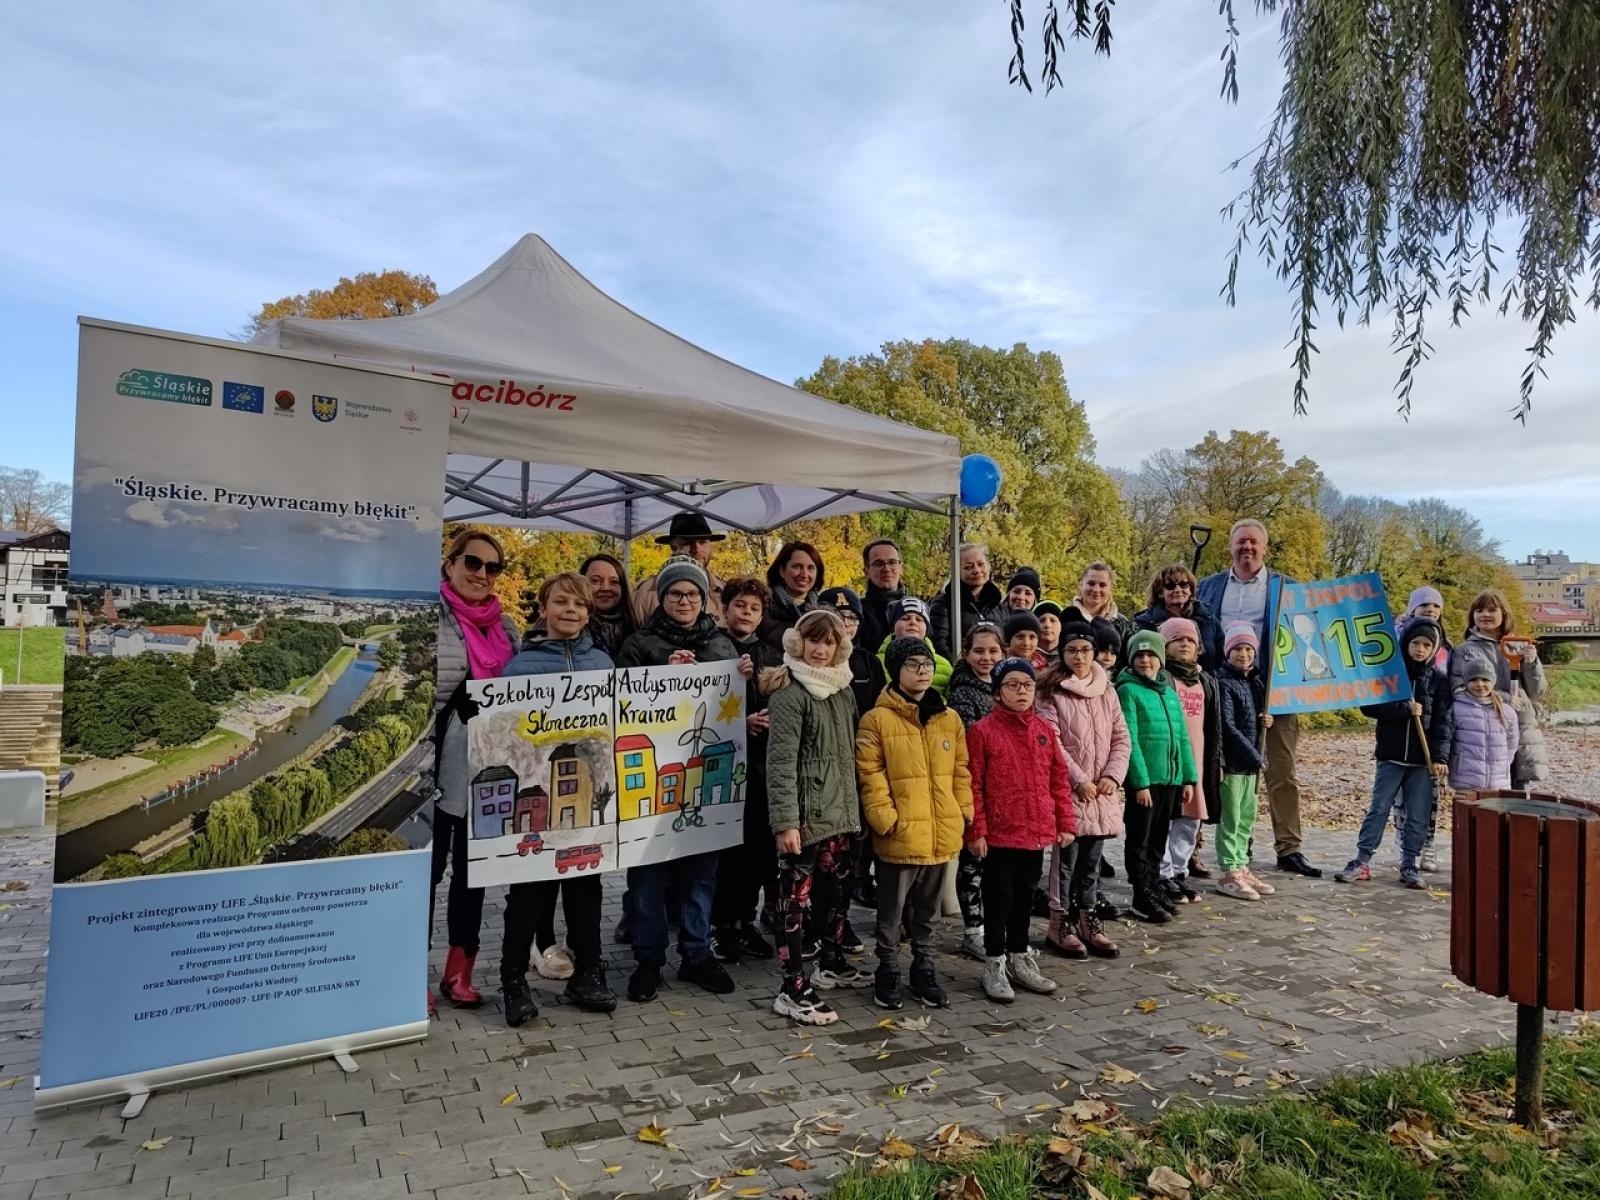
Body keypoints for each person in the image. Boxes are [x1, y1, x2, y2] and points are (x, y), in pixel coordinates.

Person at [615, 556, 743, 1001]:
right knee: (648, 874)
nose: (684, 600)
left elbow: (740, 703)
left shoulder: (722, 643)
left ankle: (696, 954)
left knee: (700, 874)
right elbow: (619, 698)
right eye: (675, 594)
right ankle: (649, 959)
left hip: (705, 779)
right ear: (662, 598)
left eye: (692, 593)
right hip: (652, 780)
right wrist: (660, 675)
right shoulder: (640, 643)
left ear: (704, 598)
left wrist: (746, 678)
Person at [498, 573, 618, 1023]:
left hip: (587, 796)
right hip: (538, 795)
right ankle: (513, 980)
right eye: (562, 602)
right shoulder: (518, 668)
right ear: (543, 608)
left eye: (580, 605)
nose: (571, 611)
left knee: (586, 886)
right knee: (529, 890)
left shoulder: (603, 665)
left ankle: (588, 971)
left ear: (589, 613)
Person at [764, 609, 871, 1025]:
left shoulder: (842, 691)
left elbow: (847, 757)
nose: (821, 650)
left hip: (839, 815)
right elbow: (781, 764)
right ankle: (792, 986)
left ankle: (830, 960)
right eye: (814, 641)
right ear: (798, 642)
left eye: (829, 642)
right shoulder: (790, 694)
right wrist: (785, 822)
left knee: (837, 894)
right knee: (795, 902)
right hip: (805, 819)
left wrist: (853, 810)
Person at [1196, 520, 1319, 877]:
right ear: (1230, 547)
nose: (1246, 548)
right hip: (1225, 691)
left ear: (1264, 548)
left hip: (1275, 690)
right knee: (1227, 771)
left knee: (1281, 770)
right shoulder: (1208, 588)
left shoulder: (1289, 589)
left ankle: (1289, 846)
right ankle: (1232, 844)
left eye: (1253, 542)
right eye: (1240, 542)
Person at [857, 637, 973, 1010]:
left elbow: (961, 770)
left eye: (926, 664)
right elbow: (869, 774)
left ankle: (924, 966)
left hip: (941, 831)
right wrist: (885, 818)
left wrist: (962, 810)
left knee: (929, 911)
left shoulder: (949, 717)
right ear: (896, 670)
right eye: (912, 665)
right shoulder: (877, 719)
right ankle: (887, 969)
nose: (922, 672)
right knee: (891, 912)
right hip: (900, 833)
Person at [433, 528, 520, 1011]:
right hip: (432, 767)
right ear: (450, 565)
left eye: (492, 567)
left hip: (487, 767)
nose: (482, 574)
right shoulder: (431, 619)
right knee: (427, 873)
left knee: (473, 873)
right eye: (472, 563)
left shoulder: (505, 627)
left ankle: (459, 969)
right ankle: (407, 971)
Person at [966, 657, 1074, 1002]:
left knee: (1025, 897)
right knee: (999, 899)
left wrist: (1064, 821)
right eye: (1012, 685)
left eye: (1027, 685)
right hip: (999, 834)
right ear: (997, 692)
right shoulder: (982, 732)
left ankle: (1019, 955)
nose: (1021, 691)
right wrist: (976, 831)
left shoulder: (1043, 730)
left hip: (1035, 830)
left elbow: (1058, 779)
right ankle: (994, 962)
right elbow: (974, 785)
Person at [1333, 619, 1455, 889]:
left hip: (1421, 762)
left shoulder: (1439, 680)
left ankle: (1410, 863)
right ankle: (1362, 860)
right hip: (1391, 756)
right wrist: (1402, 708)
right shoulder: (1389, 675)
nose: (1420, 649)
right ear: (1405, 644)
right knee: (1378, 808)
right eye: (1415, 643)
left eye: (1426, 645)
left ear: (1434, 648)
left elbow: (1444, 722)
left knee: (1418, 813)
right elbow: (1368, 707)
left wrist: (1440, 758)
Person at [1037, 621, 1130, 958]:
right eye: (1072, 649)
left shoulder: (1107, 690)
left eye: (1086, 650)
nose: (1079, 656)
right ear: (1062, 652)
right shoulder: (1050, 690)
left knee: (1092, 861)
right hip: (1071, 790)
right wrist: (1079, 779)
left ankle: (1087, 918)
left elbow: (1121, 736)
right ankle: (1058, 923)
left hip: (1101, 791)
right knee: (1066, 861)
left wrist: (1113, 775)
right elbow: (1052, 742)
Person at [710, 578, 782, 964]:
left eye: (754, 608)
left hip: (760, 766)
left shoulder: (769, 653)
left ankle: (745, 920)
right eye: (740, 605)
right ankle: (721, 926)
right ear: (726, 608)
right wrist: (741, 722)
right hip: (722, 765)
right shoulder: (712, 648)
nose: (746, 613)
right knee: (728, 855)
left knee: (757, 851)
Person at [1116, 631, 1199, 925]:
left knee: (1158, 839)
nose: (1145, 661)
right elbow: (1130, 739)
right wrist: (1138, 782)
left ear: (1160, 659)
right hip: (1146, 782)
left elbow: (1182, 737)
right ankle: (1141, 895)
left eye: (1151, 655)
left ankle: (1153, 886)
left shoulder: (1168, 692)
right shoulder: (1127, 690)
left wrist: (1188, 777)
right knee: (1140, 839)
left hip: (1170, 780)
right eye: (1139, 656)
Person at [945, 623, 1005, 960]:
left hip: (1006, 790)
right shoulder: (963, 692)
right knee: (973, 864)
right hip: (975, 786)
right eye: (979, 651)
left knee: (997, 867)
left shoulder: (1008, 685)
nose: (986, 657)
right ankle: (973, 930)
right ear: (966, 654)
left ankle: (995, 926)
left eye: (993, 651)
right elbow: (969, 744)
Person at [1157, 617, 1222, 907]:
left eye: (1190, 640)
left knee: (1190, 819)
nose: (1184, 644)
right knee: (1166, 819)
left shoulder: (1205, 681)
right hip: (1169, 761)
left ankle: (1180, 871)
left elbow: (1214, 726)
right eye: (1177, 639)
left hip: (1198, 760)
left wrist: (1216, 761)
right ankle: (1163, 872)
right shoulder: (1161, 677)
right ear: (1165, 646)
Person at [1212, 625, 1274, 901]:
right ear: (1228, 652)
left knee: (1247, 817)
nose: (1244, 654)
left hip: (1251, 763)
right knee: (1232, 816)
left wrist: (1265, 721)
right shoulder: (1224, 682)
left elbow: (1254, 720)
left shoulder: (1256, 683)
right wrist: (1254, 756)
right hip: (1235, 763)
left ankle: (1241, 863)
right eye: (1238, 649)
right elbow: (1227, 724)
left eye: (1249, 649)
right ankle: (1229, 870)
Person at [633, 513, 728, 624]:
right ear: (673, 546)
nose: (697, 549)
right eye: (688, 543)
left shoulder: (724, 591)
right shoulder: (647, 591)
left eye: (702, 542)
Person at [1448, 662, 1520, 793]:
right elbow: (1449, 741)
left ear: (1493, 682)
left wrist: (1501, 765)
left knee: (1493, 814)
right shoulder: (1456, 708)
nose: (1480, 684)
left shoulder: (1507, 711)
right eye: (1473, 679)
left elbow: (1512, 744)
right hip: (1466, 781)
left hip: (1498, 783)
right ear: (1465, 682)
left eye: (1485, 679)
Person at [1134, 565, 1222, 671]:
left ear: (1191, 590)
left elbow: (1223, 659)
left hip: (1205, 683)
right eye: (1170, 586)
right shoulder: (1145, 624)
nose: (1178, 590)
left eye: (1184, 585)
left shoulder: (1208, 620)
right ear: (1160, 592)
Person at [929, 542, 1007, 659]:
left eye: (981, 564)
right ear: (956, 572)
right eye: (968, 567)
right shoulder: (944, 605)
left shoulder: (999, 606)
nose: (976, 570)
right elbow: (940, 644)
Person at [872, 596, 953, 694]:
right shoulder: (875, 663)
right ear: (893, 627)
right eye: (905, 618)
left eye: (919, 619)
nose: (913, 622)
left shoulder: (945, 666)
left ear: (927, 629)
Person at [759, 541, 824, 650]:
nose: (804, 574)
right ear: (782, 571)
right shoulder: (762, 607)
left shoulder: (824, 611)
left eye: (811, 568)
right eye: (797, 566)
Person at [1069, 562, 1134, 654]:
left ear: (1110, 588)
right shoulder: (1066, 619)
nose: (1096, 590)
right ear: (1081, 584)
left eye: (1102, 585)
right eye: (1091, 583)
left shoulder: (1122, 624)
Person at [581, 553, 637, 657]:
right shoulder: (571, 631)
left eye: (614, 582)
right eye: (596, 581)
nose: (606, 588)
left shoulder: (636, 632)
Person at [860, 539, 909, 654]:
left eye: (892, 562)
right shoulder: (857, 612)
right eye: (878, 564)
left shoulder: (918, 611)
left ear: (901, 568)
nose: (886, 569)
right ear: (866, 571)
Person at [1394, 586, 1452, 671]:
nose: (1430, 609)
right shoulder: (1396, 634)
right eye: (1424, 605)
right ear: (1413, 610)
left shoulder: (1445, 644)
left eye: (1436, 606)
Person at [1034, 600, 1065, 668]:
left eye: (1053, 620)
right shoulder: (1025, 656)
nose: (1047, 625)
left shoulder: (1068, 657)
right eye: (1041, 620)